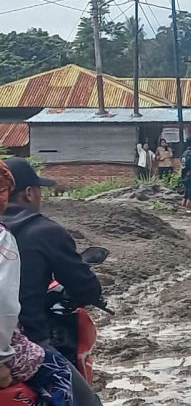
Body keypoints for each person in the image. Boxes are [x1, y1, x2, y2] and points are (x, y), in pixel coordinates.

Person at [1, 158, 104, 405]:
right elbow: (4, 304)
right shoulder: (38, 232)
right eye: (39, 191)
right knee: (87, 401)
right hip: (24, 340)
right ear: (28, 193)